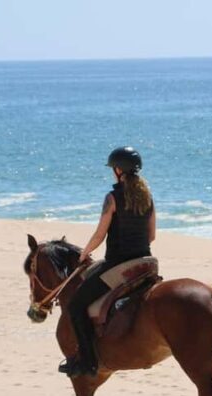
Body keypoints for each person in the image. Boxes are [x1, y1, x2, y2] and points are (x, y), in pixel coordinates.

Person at [59, 146, 156, 378]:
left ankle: (88, 362)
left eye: (113, 169)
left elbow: (100, 234)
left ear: (118, 171)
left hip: (119, 265)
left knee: (76, 305)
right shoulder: (148, 197)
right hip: (146, 262)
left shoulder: (112, 198)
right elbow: (151, 235)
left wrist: (85, 253)